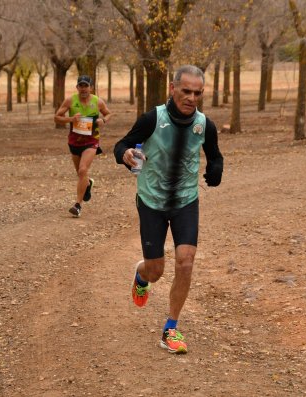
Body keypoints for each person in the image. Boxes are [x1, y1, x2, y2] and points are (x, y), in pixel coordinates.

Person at [114, 65, 224, 354]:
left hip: (185, 201)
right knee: (156, 270)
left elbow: (215, 156)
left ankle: (170, 329)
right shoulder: (153, 119)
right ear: (172, 88)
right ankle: (141, 275)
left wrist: (215, 170)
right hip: (151, 201)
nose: (191, 97)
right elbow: (122, 144)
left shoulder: (204, 125)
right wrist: (125, 153)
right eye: (185, 91)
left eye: (197, 93)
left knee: (186, 261)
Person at [54, 75, 112, 217]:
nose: (84, 89)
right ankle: (88, 183)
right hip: (74, 141)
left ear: (91, 87)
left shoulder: (97, 101)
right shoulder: (70, 100)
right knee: (81, 174)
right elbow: (57, 117)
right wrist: (71, 119)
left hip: (91, 140)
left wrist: (103, 120)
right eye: (81, 86)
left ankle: (78, 205)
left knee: (82, 170)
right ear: (77, 87)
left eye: (86, 86)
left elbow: (109, 113)